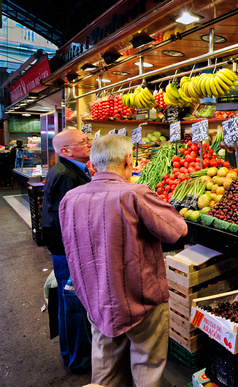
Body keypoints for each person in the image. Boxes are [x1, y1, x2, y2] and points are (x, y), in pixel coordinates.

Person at [59, 134, 187, 387]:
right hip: (140, 299)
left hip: (96, 300)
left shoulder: (70, 199)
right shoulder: (135, 193)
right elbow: (177, 231)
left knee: (105, 369)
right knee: (147, 365)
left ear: (93, 165)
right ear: (129, 160)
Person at [41, 129, 93, 374]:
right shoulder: (64, 174)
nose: (89, 144)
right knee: (73, 304)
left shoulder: (70, 170)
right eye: (83, 142)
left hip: (65, 249)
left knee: (68, 302)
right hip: (69, 251)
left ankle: (71, 354)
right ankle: (78, 360)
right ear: (65, 151)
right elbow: (69, 218)